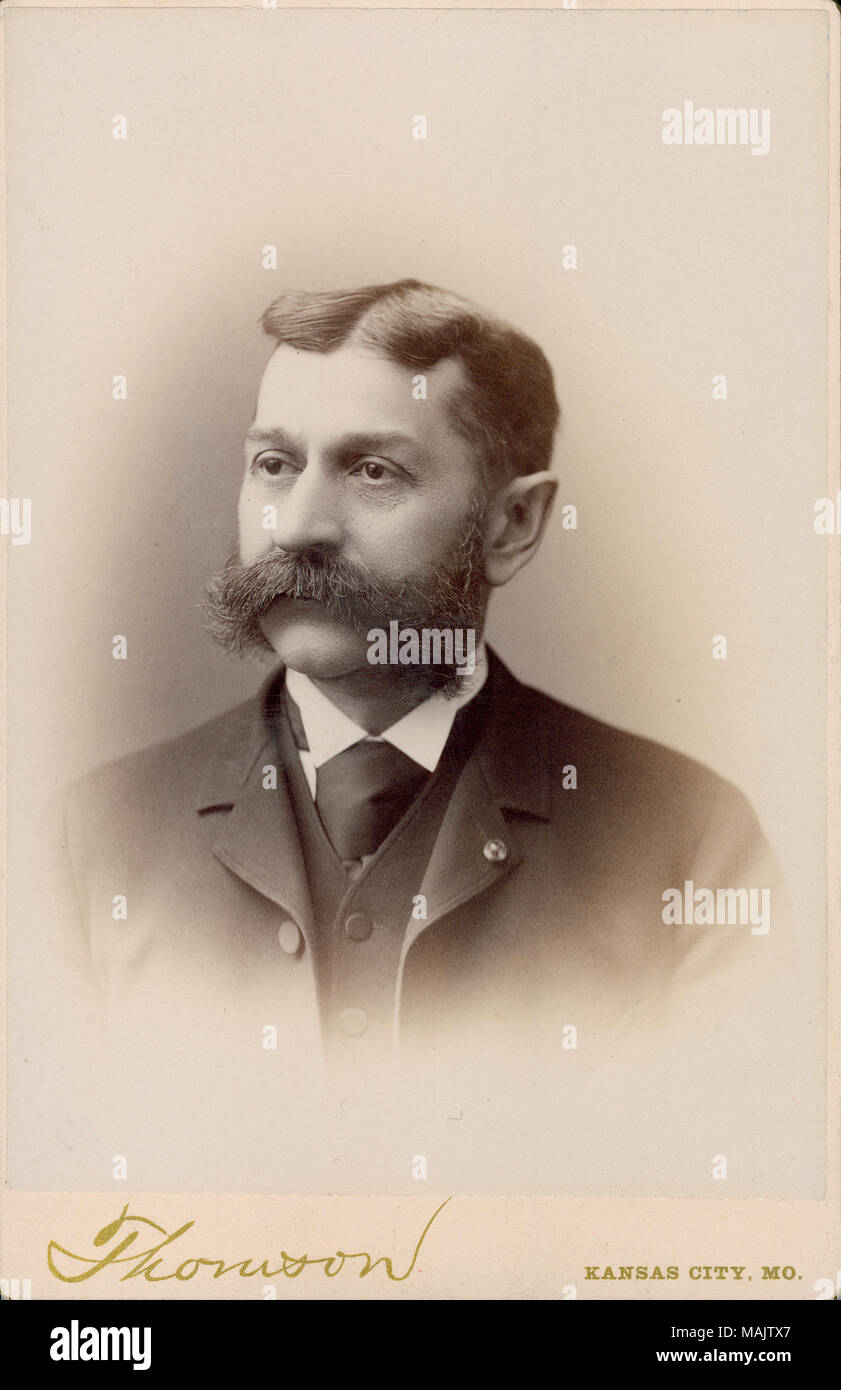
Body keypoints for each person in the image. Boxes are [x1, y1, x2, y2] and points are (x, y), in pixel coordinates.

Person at [32, 279, 800, 1192]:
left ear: (512, 525)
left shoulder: (691, 842)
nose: (298, 526)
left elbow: (737, 1199)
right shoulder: (92, 839)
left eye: (372, 472)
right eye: (275, 464)